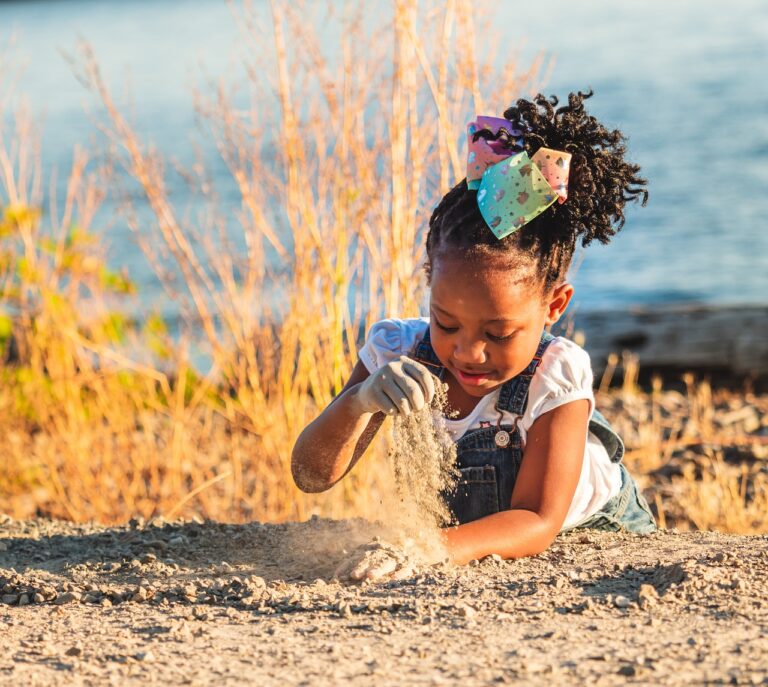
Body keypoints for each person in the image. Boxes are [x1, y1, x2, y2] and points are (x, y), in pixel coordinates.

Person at [291, 90, 656, 574]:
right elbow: (311, 477)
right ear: (428, 281)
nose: (468, 350)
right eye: (445, 322)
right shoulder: (397, 350)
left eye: (500, 333)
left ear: (555, 306)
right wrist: (359, 401)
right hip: (465, 537)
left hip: (592, 531)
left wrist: (423, 551)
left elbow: (537, 519)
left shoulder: (554, 376)